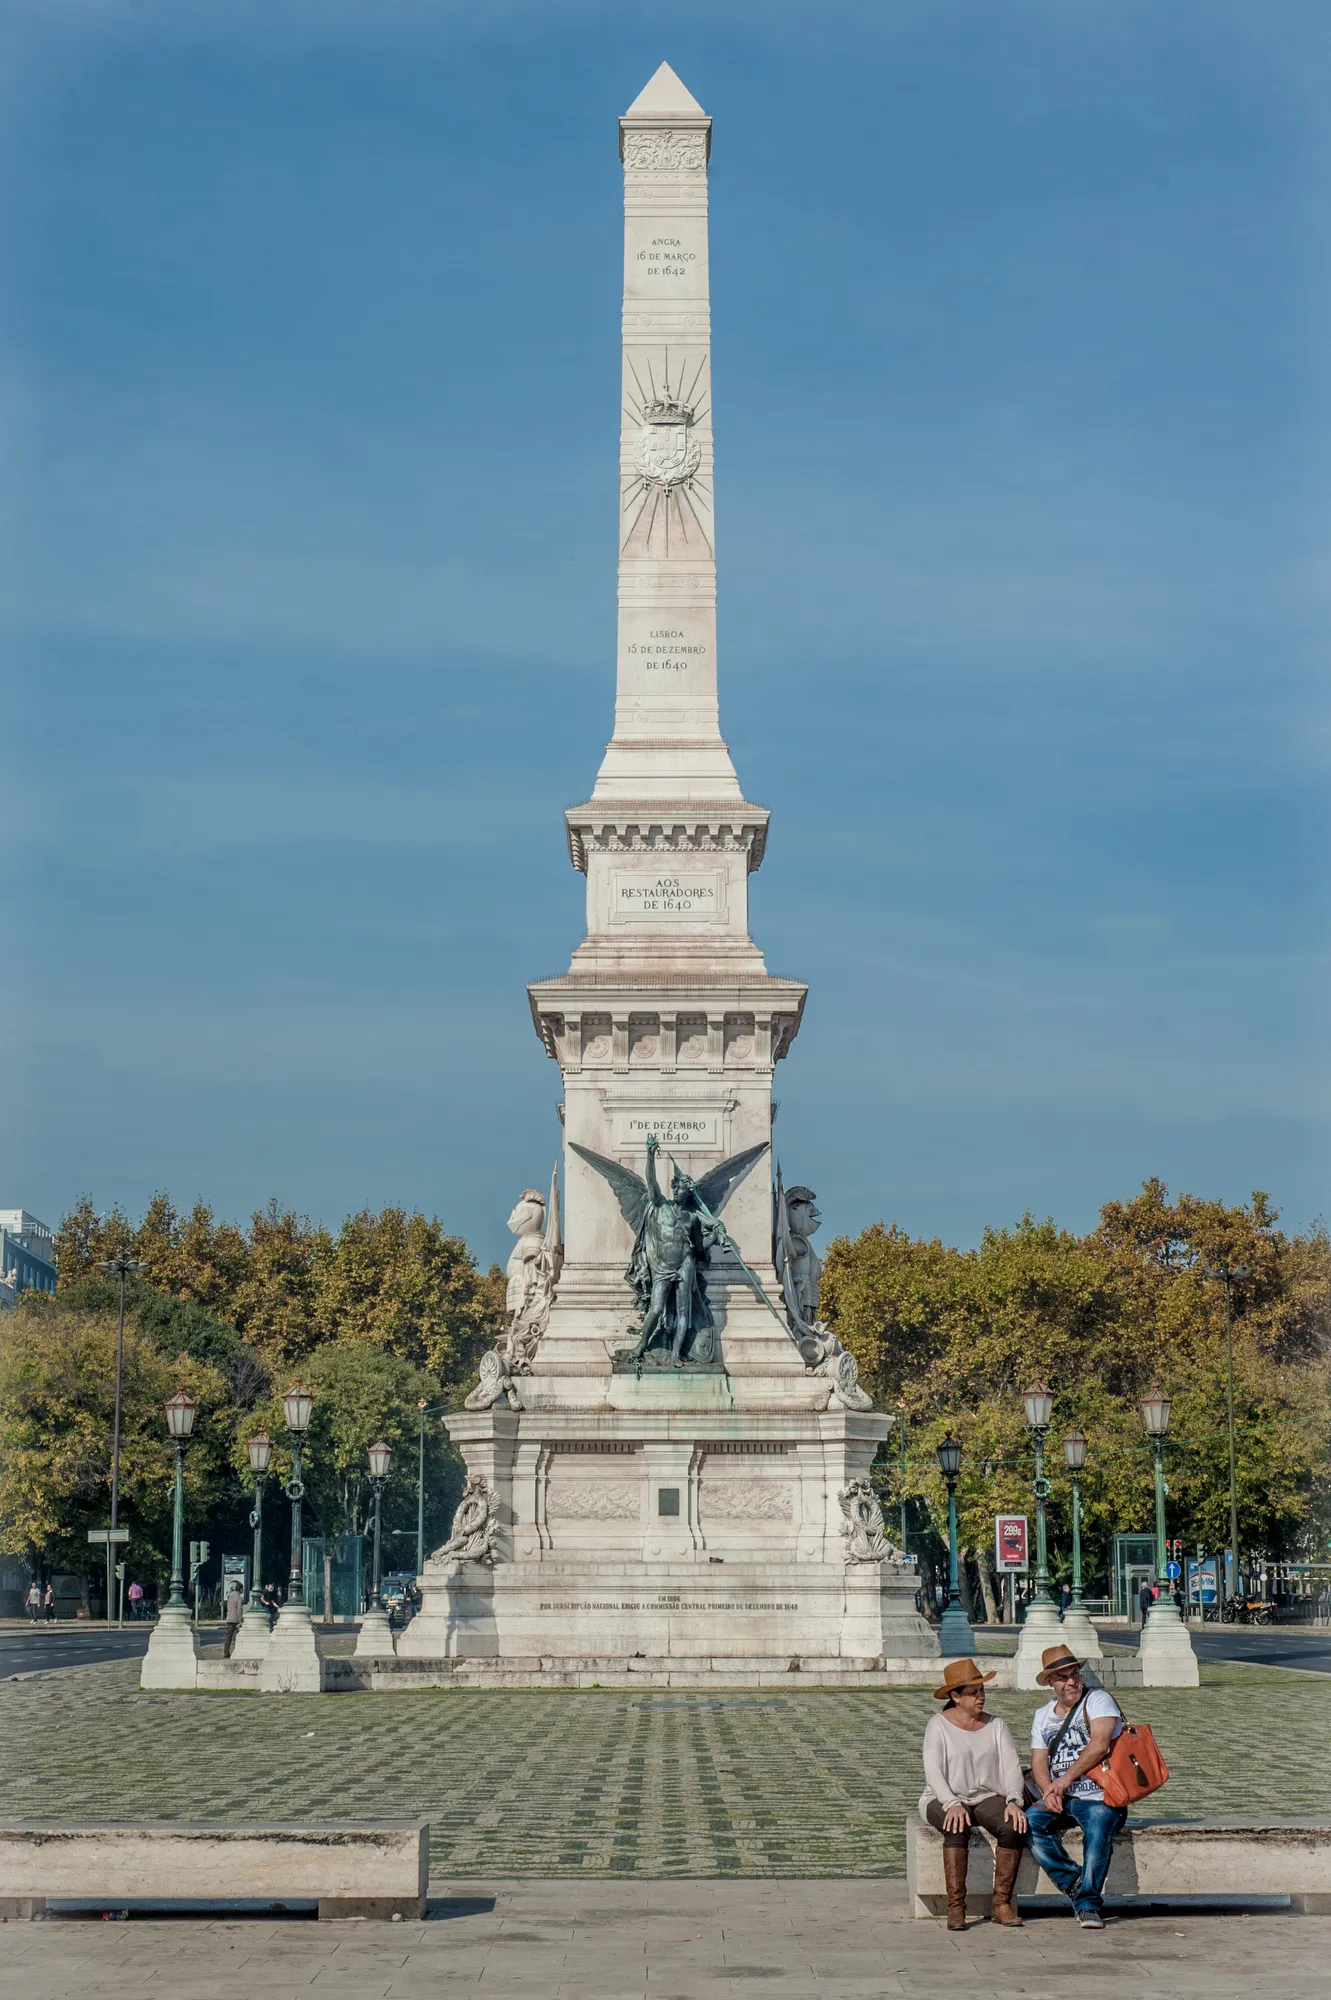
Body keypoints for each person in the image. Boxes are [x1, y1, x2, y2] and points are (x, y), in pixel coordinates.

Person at [920, 1656, 1028, 1931]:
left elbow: (1012, 1767)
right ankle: (956, 1907)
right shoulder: (938, 1725)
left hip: (986, 1796)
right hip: (941, 1796)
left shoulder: (996, 1725)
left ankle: (1001, 1903)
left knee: (1011, 1827)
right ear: (955, 1697)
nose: (981, 1698)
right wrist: (951, 1802)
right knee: (955, 1825)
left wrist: (1014, 1799)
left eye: (982, 1691)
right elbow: (933, 1771)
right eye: (973, 1692)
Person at [1025, 1644, 1126, 1930]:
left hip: (1100, 1795)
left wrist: (1064, 1781)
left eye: (1075, 1674)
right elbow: (1038, 1762)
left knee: (1096, 1830)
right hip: (1060, 1796)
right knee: (1029, 1823)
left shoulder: (1098, 1700)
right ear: (1050, 1683)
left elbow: (1099, 1745)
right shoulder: (1042, 1715)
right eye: (1063, 1678)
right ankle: (1075, 1882)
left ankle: (1088, 1904)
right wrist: (1049, 1790)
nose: (1071, 1682)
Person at [222, 1582, 245, 1658]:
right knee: (239, 1636)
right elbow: (239, 1610)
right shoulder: (239, 1598)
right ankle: (238, 1652)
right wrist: (240, 1620)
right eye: (242, 1589)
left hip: (229, 1619)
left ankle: (226, 1653)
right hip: (236, 1621)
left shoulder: (230, 1597)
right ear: (240, 1589)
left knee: (228, 1637)